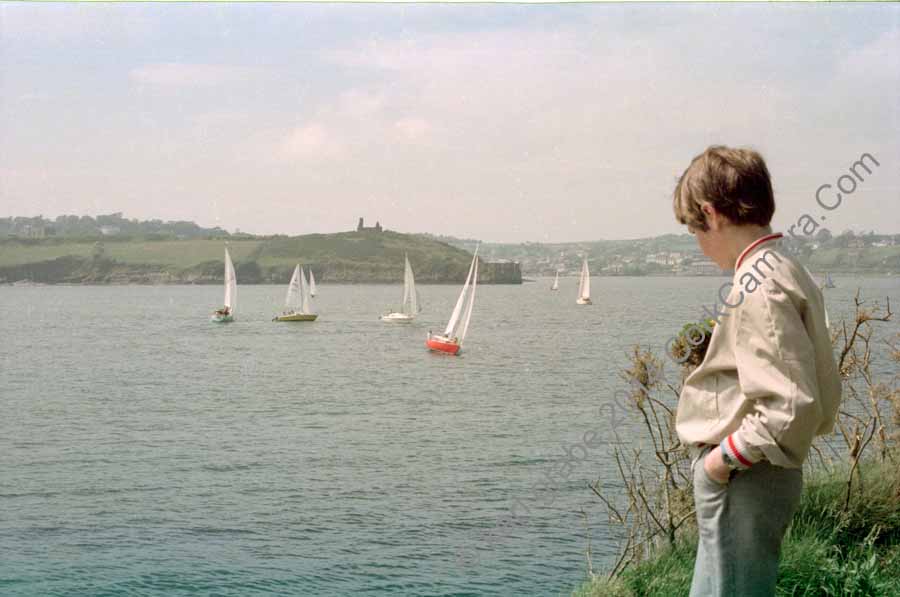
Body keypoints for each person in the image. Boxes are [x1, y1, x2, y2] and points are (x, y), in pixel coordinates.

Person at [672, 145, 841, 597]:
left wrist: (719, 462)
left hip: (745, 478)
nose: (698, 242)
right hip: (759, 475)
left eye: (693, 228)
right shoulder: (785, 267)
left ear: (711, 213)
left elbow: (789, 407)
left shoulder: (758, 283)